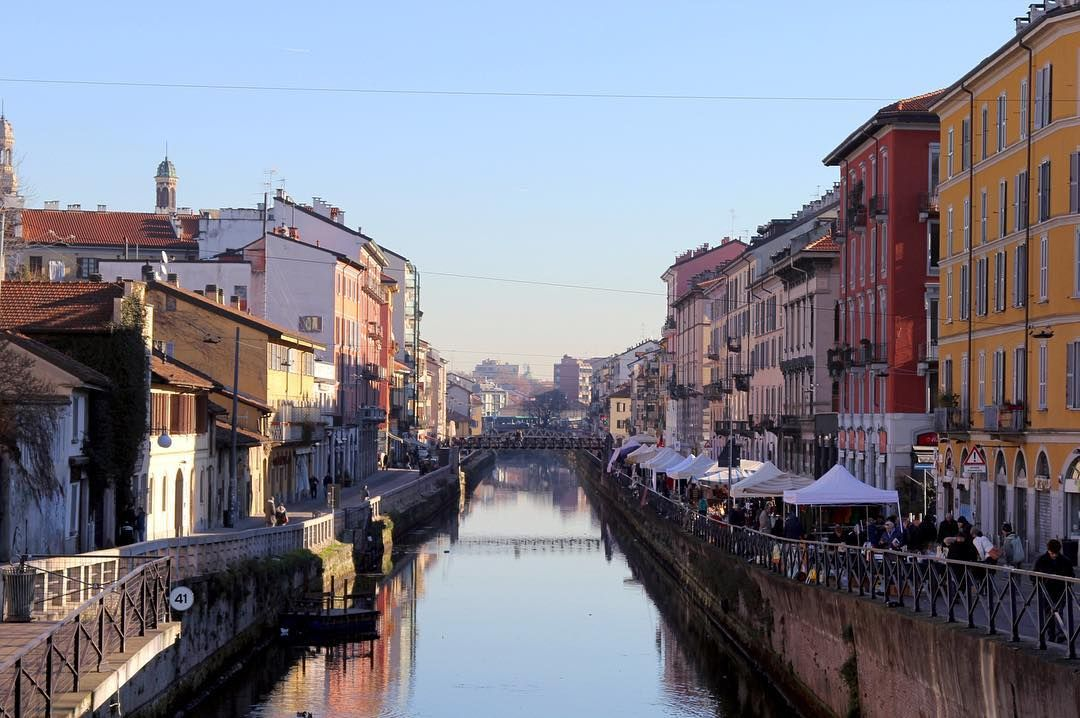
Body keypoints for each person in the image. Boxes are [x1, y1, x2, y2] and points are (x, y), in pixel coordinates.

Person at [1032, 539, 1075, 643]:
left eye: (1056, 553)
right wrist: (1038, 587)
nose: (1054, 555)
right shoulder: (1041, 560)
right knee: (1048, 614)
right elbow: (1033, 576)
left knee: (1058, 612)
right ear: (1048, 551)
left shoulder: (1065, 561)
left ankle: (1060, 633)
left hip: (1061, 591)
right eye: (1052, 553)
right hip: (1046, 591)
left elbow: (1071, 575)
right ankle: (1051, 635)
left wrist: (1068, 585)